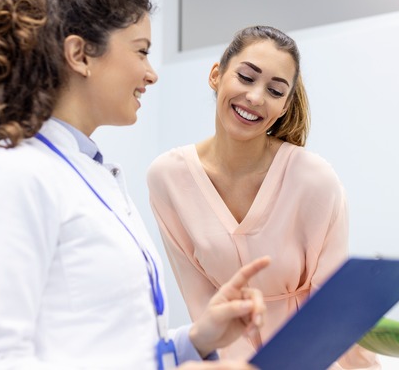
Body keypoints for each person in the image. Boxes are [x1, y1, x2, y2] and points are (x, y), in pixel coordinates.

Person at [0, 0, 270, 370]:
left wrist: (193, 342)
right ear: (80, 55)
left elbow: (101, 344)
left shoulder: (89, 174)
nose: (151, 73)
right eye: (141, 51)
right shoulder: (8, 178)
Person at [147, 26, 380, 369]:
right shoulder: (167, 178)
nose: (256, 97)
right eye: (246, 77)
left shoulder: (315, 180)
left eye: (274, 90)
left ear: (285, 105)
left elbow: (333, 307)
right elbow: (202, 303)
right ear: (216, 75)